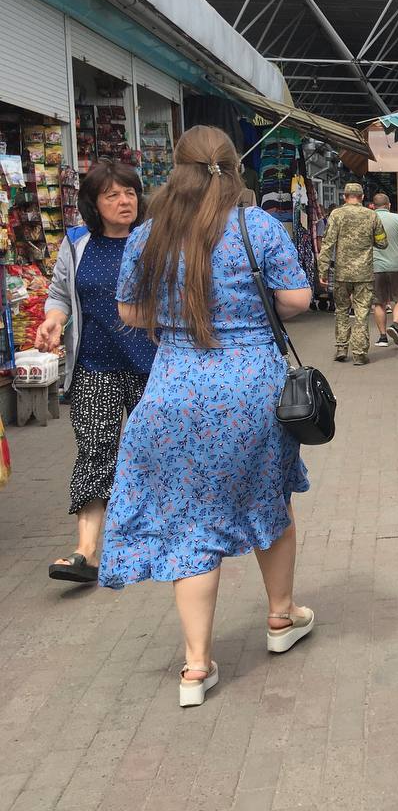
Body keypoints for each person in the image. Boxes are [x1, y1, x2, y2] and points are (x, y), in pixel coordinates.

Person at [99, 126, 316, 708]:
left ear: (177, 169)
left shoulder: (149, 234)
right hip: (252, 389)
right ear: (233, 167)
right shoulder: (259, 226)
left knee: (190, 523)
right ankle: (279, 618)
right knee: (271, 498)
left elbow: (127, 310)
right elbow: (297, 300)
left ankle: (196, 666)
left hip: (171, 389)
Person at [37, 160, 156, 583]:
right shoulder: (75, 244)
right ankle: (86, 551)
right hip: (95, 365)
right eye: (112, 195)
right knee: (95, 452)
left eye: (129, 192)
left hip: (154, 366)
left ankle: (164, 534)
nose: (124, 201)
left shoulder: (155, 238)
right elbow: (59, 294)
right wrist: (54, 319)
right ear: (93, 202)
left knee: (158, 449)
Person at [318, 182, 387, 365]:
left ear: (344, 196)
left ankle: (341, 347)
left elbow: (327, 243)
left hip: (342, 273)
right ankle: (359, 353)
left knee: (341, 310)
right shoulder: (371, 215)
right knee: (362, 312)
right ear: (363, 197)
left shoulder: (336, 214)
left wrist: (323, 270)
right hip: (364, 273)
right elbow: (382, 242)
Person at [370, 193, 398, 348]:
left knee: (379, 302)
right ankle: (395, 325)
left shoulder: (369, 219)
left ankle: (382, 337)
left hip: (375, 266)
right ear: (388, 205)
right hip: (396, 264)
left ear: (373, 206)